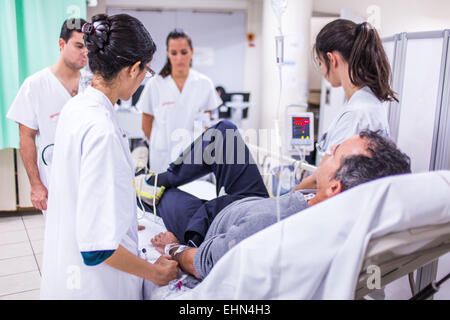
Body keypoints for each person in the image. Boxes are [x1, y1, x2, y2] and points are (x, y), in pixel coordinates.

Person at [137, 121, 411, 280]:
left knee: (164, 196)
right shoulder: (329, 203)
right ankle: (161, 177)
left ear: (335, 187)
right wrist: (300, 190)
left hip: (210, 220)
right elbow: (302, 193)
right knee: (224, 133)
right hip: (256, 201)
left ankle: (146, 185)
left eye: (335, 152)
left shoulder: (274, 225)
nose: (327, 152)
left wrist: (172, 247)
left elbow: (205, 263)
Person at [40, 13, 178, 300]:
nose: (143, 80)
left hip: (67, 276)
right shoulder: (102, 130)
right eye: (146, 72)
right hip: (96, 287)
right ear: (133, 68)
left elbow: (80, 191)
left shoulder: (77, 107)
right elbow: (97, 249)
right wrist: (156, 273)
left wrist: (123, 218)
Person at [296, 19, 397, 190]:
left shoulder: (357, 113)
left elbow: (321, 179)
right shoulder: (367, 101)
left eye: (320, 63)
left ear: (332, 59)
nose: (322, 70)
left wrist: (284, 200)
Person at [6, 18, 90, 212]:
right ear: (62, 44)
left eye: (88, 47)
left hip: (89, 177)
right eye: (79, 46)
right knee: (62, 239)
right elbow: (26, 137)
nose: (85, 52)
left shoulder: (92, 83)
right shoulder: (35, 85)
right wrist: (36, 185)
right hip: (55, 180)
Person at [137, 29, 222, 174]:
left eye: (184, 52)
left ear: (192, 51)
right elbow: (146, 124)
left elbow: (208, 125)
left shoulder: (204, 83)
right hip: (162, 159)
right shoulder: (155, 84)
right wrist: (161, 144)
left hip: (195, 160)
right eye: (174, 53)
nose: (179, 58)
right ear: (167, 53)